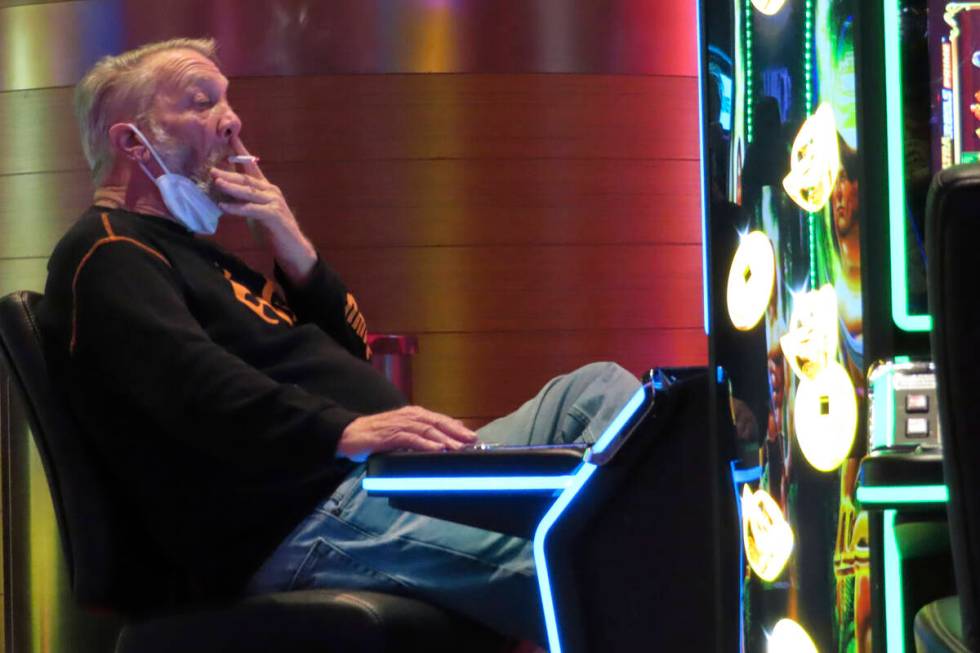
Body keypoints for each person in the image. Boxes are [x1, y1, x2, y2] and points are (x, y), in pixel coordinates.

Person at [36, 38, 640, 644]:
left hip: (378, 477)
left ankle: (650, 523)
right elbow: (192, 386)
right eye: (201, 103)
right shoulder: (108, 253)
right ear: (131, 143)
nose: (233, 120)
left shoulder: (205, 259)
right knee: (598, 564)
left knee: (596, 391)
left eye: (227, 100)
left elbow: (347, 353)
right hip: (301, 515)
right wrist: (340, 431)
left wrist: (287, 239)